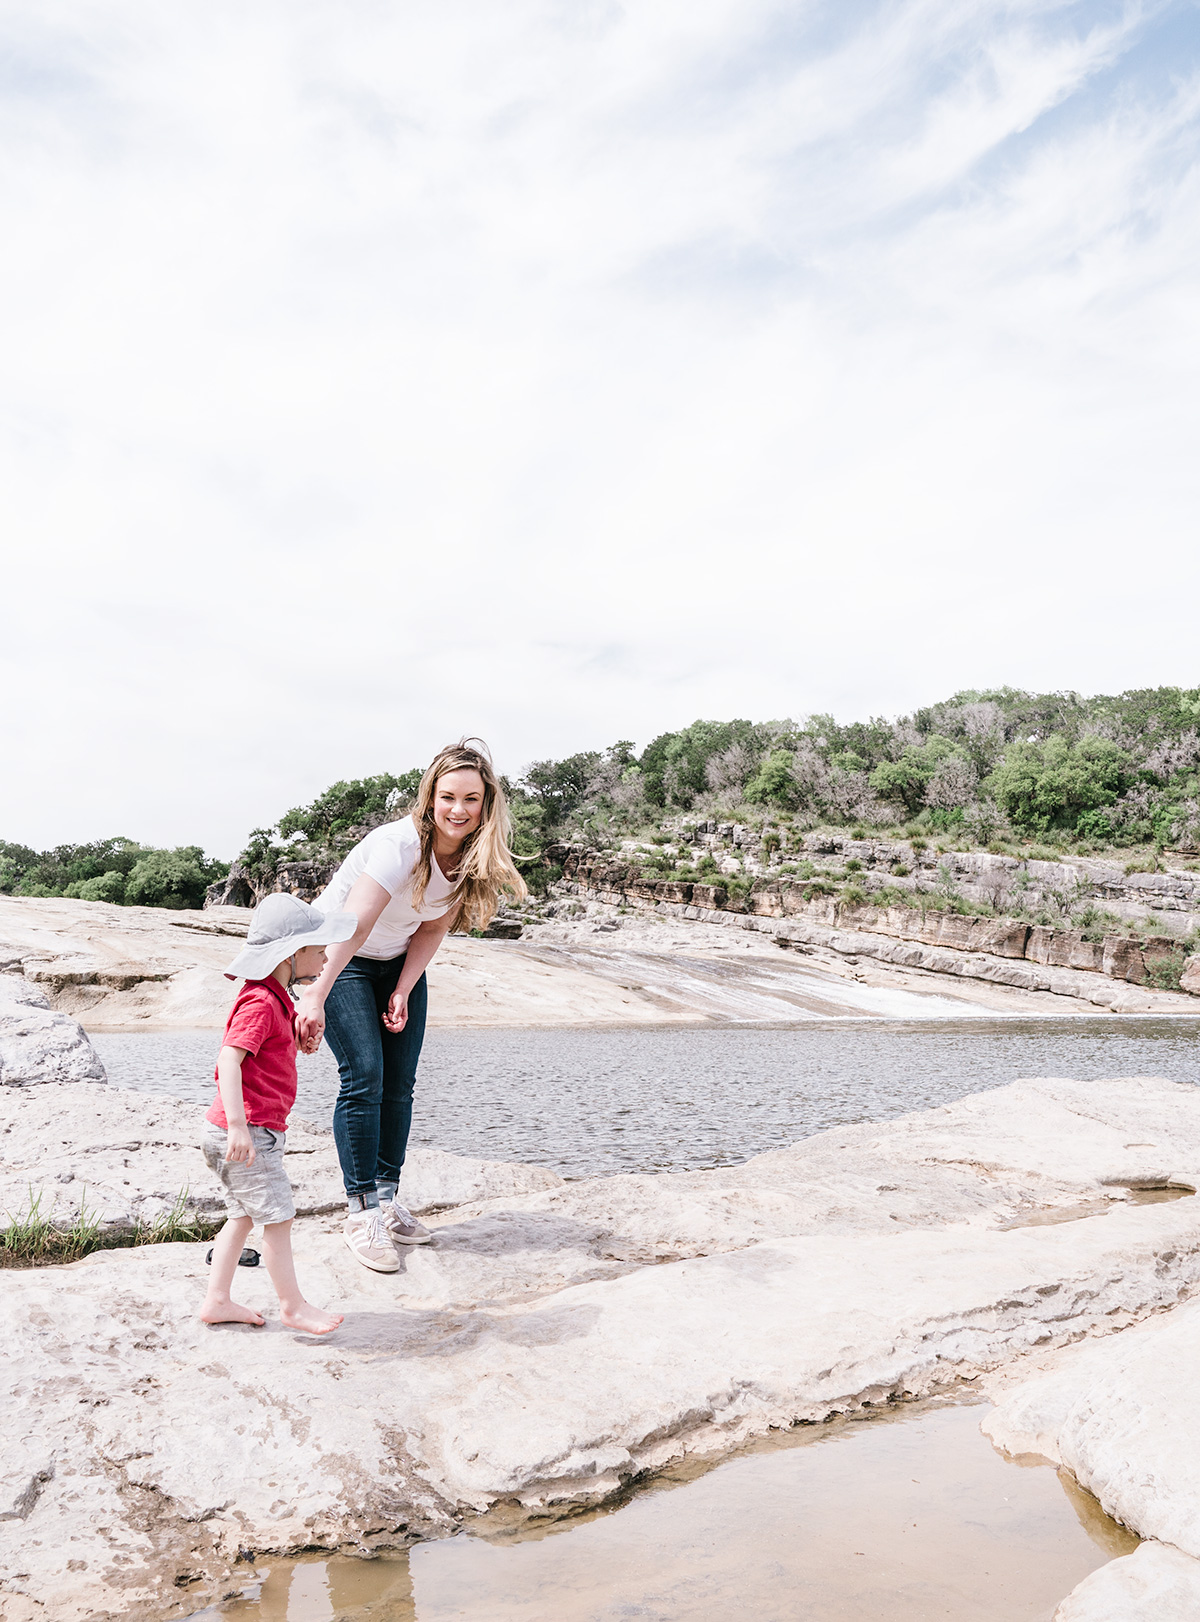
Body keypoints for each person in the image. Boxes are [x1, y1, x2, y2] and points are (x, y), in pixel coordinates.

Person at [295, 739, 526, 1273]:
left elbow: (435, 925)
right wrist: (314, 995)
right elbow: (351, 929)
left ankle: (386, 1196)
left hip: (396, 960)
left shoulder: (473, 853)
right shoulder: (400, 846)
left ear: (487, 803)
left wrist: (403, 986)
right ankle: (359, 1213)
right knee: (365, 1075)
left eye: (471, 799)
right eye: (448, 796)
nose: (458, 810)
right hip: (340, 957)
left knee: (400, 1082)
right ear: (429, 796)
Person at [200, 892, 356, 1334]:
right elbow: (229, 1060)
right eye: (318, 947)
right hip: (246, 1129)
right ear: (291, 953)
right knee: (279, 1217)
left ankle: (217, 1300)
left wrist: (298, 1039)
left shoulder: (274, 999)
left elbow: (266, 1055)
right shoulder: (260, 1002)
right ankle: (293, 1307)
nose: (327, 955)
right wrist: (237, 1126)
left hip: (248, 1128)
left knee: (243, 1215)